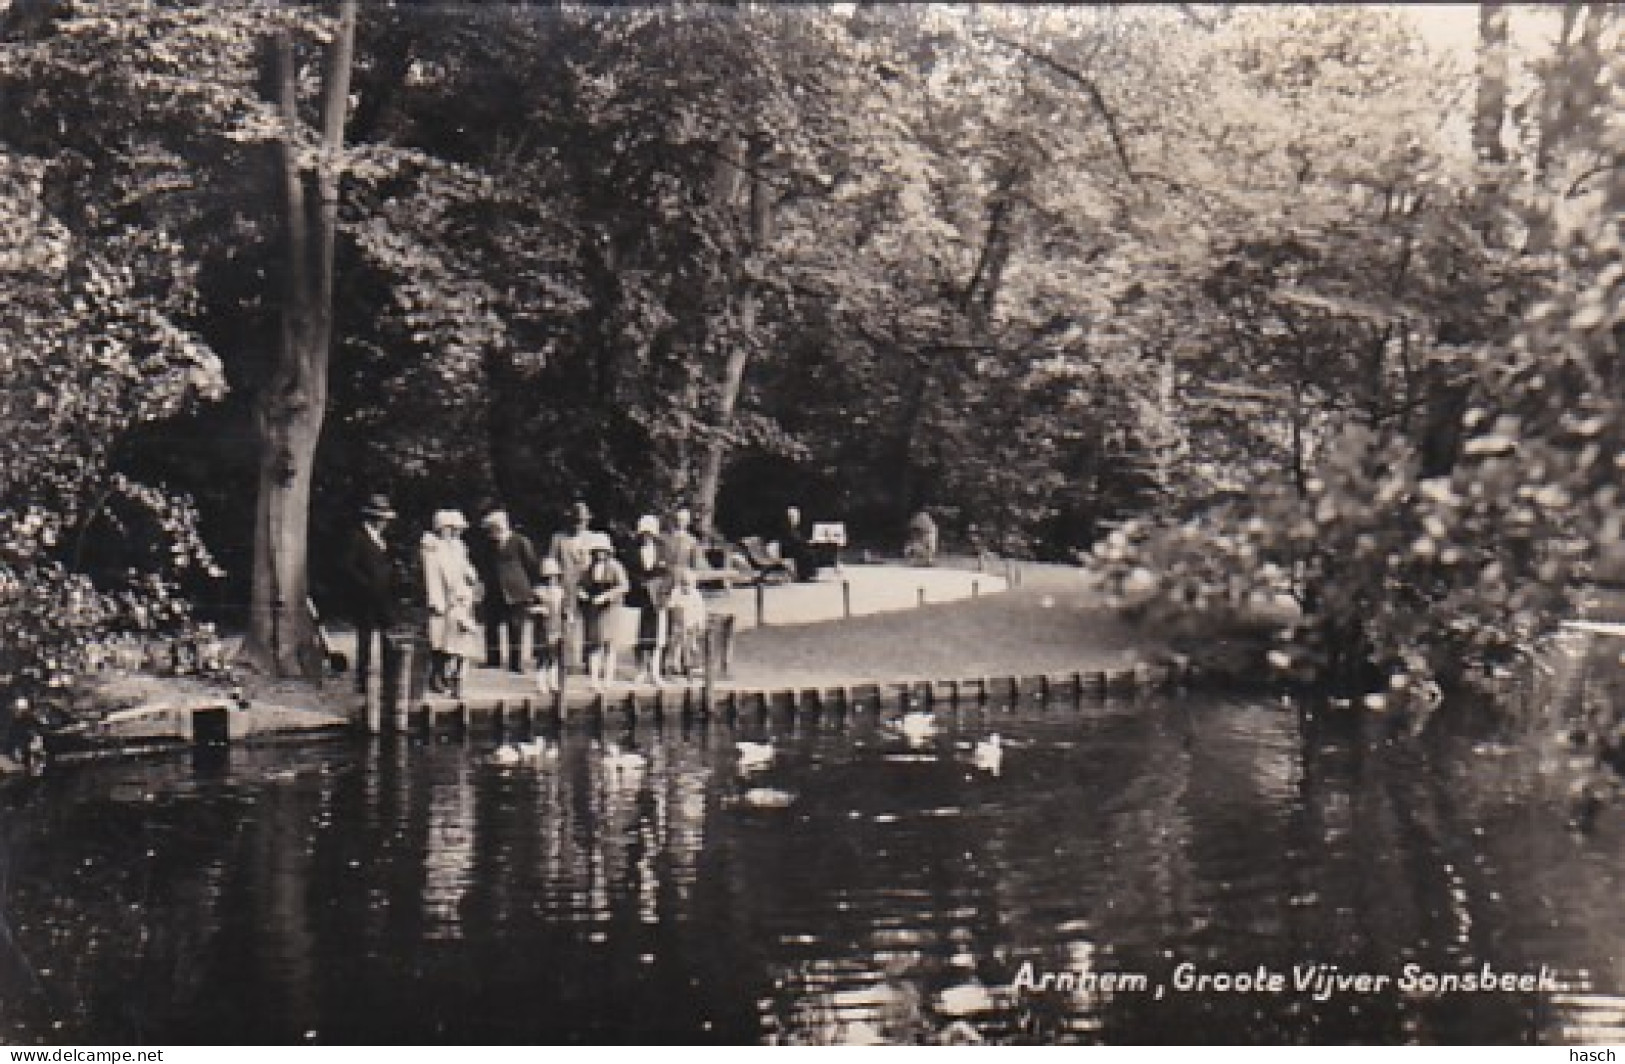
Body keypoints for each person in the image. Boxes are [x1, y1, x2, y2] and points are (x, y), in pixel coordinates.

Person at [338, 493, 398, 694]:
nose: (385, 524)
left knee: (389, 636)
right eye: (382, 520)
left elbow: (386, 564)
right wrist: (365, 585)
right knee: (364, 639)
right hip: (364, 598)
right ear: (373, 519)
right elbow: (347, 566)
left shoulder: (382, 539)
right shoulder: (357, 537)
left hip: (384, 596)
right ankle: (362, 681)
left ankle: (391, 678)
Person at [423, 509, 483, 697]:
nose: (456, 533)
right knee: (439, 639)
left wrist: (471, 575)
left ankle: (450, 676)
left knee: (456, 639)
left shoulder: (459, 546)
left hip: (459, 598)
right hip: (442, 598)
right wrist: (436, 600)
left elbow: (465, 566)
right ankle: (437, 676)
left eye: (457, 529)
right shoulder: (432, 548)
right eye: (452, 529)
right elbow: (431, 576)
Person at [478, 509, 542, 673]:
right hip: (494, 590)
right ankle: (493, 659)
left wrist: (531, 588)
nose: (493, 533)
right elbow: (484, 564)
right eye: (491, 530)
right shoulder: (488, 544)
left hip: (517, 591)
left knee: (516, 627)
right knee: (491, 625)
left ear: (503, 526)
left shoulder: (521, 541)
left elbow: (531, 564)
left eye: (495, 529)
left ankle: (516, 662)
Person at [546, 500, 598, 673]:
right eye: (576, 520)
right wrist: (556, 584)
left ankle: (591, 663)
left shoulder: (593, 538)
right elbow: (551, 562)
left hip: (590, 586)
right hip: (566, 586)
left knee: (591, 625)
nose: (579, 524)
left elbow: (599, 563)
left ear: (588, 520)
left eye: (582, 521)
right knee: (567, 623)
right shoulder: (558, 538)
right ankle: (567, 663)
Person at [624, 515, 671, 686]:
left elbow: (667, 573)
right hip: (638, 597)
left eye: (650, 534)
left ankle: (656, 671)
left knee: (657, 637)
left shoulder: (663, 549)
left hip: (657, 598)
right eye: (644, 533)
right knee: (639, 635)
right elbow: (628, 572)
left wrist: (660, 589)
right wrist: (642, 583)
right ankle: (641, 670)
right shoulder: (632, 549)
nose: (647, 537)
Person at [576, 533, 628, 691]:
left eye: (602, 551)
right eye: (596, 551)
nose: (599, 554)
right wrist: (581, 592)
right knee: (594, 645)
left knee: (610, 644)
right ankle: (594, 680)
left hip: (611, 609)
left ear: (608, 552)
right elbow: (580, 585)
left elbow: (624, 586)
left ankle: (608, 680)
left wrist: (607, 596)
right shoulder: (588, 568)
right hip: (593, 609)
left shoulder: (615, 566)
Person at [529, 557, 567, 694]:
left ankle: (553, 682)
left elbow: (564, 609)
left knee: (554, 656)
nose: (552, 579)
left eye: (554, 576)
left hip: (556, 627)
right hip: (542, 628)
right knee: (542, 656)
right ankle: (541, 683)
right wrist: (538, 609)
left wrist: (567, 615)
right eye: (548, 577)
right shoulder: (538, 591)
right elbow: (530, 608)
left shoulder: (561, 592)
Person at [665, 566, 707, 679]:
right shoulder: (676, 592)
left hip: (691, 623)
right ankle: (674, 666)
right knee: (676, 645)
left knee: (691, 645)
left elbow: (700, 610)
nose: (686, 587)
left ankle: (691, 666)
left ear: (693, 584)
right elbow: (670, 605)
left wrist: (700, 623)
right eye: (683, 583)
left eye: (688, 584)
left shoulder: (696, 595)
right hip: (678, 624)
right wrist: (675, 607)